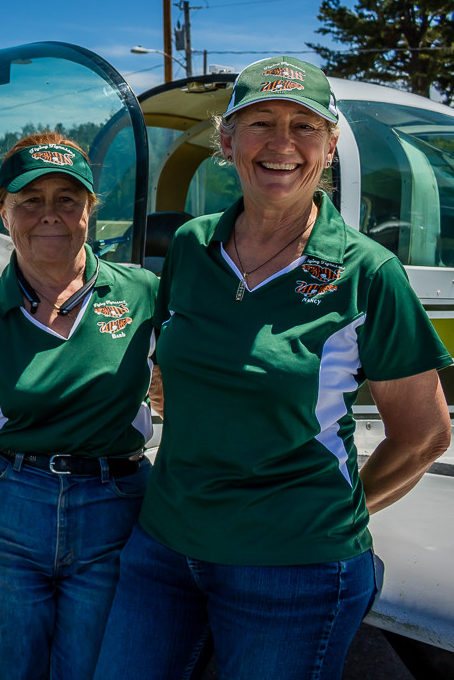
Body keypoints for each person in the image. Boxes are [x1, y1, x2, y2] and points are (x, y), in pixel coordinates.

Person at [96, 57, 452, 680]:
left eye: (304, 126)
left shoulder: (368, 272)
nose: (281, 144)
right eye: (260, 122)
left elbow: (425, 433)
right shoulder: (191, 245)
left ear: (330, 146)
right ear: (227, 142)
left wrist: (338, 517)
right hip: (164, 547)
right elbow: (183, 364)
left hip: (294, 571)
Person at [0, 132, 159, 679]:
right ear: (3, 211)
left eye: (67, 199)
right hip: (6, 515)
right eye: (30, 200)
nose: (49, 215)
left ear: (90, 210)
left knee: (99, 670)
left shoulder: (144, 295)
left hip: (115, 509)